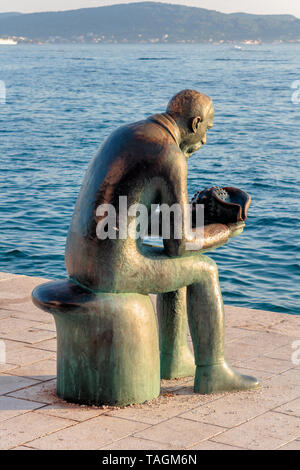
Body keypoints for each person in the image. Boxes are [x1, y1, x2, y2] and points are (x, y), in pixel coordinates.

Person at [65, 89, 259, 393]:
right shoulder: (169, 154)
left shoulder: (128, 133)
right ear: (195, 124)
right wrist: (225, 230)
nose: (205, 141)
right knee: (204, 270)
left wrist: (192, 220)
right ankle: (212, 372)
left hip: (80, 259)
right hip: (111, 269)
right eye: (207, 130)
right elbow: (179, 243)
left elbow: (132, 220)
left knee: (177, 264)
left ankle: (173, 358)